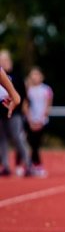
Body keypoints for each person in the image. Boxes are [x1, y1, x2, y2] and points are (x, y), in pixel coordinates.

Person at [0, 49, 33, 177]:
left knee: (17, 137)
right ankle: (5, 166)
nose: (3, 62)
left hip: (15, 113)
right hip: (1, 112)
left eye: (5, 59)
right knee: (1, 140)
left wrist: (24, 112)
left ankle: (28, 163)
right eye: (1, 59)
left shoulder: (17, 76)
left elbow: (22, 97)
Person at [24, 67, 52, 177]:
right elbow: (25, 106)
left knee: (36, 144)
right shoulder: (27, 90)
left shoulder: (46, 90)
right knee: (29, 143)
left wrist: (41, 120)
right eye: (33, 75)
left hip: (41, 121)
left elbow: (48, 105)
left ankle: (36, 165)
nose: (35, 77)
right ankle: (30, 165)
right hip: (30, 120)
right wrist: (30, 120)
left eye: (37, 74)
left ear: (41, 76)